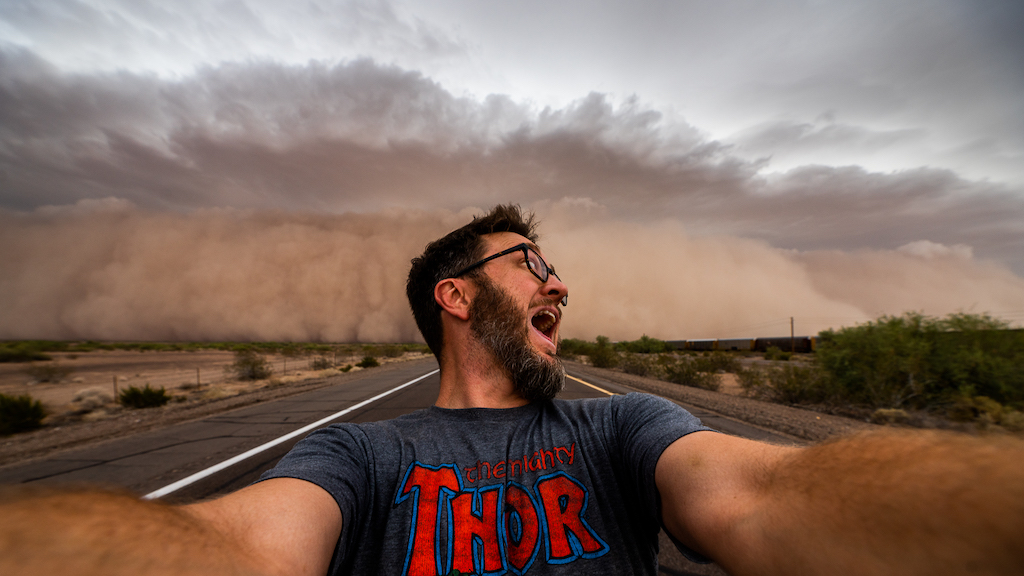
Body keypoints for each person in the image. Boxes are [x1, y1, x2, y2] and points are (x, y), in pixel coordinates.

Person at [2, 204, 1023, 576]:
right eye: (529, 260)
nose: (558, 281)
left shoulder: (623, 425)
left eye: (554, 266)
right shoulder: (361, 456)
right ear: (455, 296)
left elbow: (763, 497)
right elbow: (236, 547)